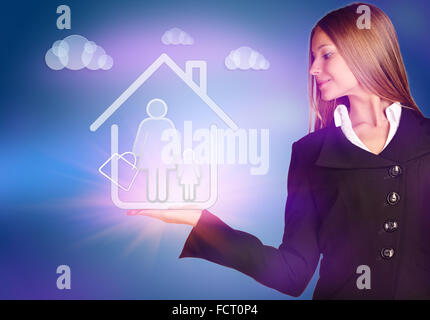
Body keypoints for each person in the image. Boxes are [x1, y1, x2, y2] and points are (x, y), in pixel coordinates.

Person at [127, 2, 430, 299]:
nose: (313, 69)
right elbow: (292, 272)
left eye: (326, 55)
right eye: (313, 57)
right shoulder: (310, 153)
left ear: (365, 51)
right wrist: (197, 218)